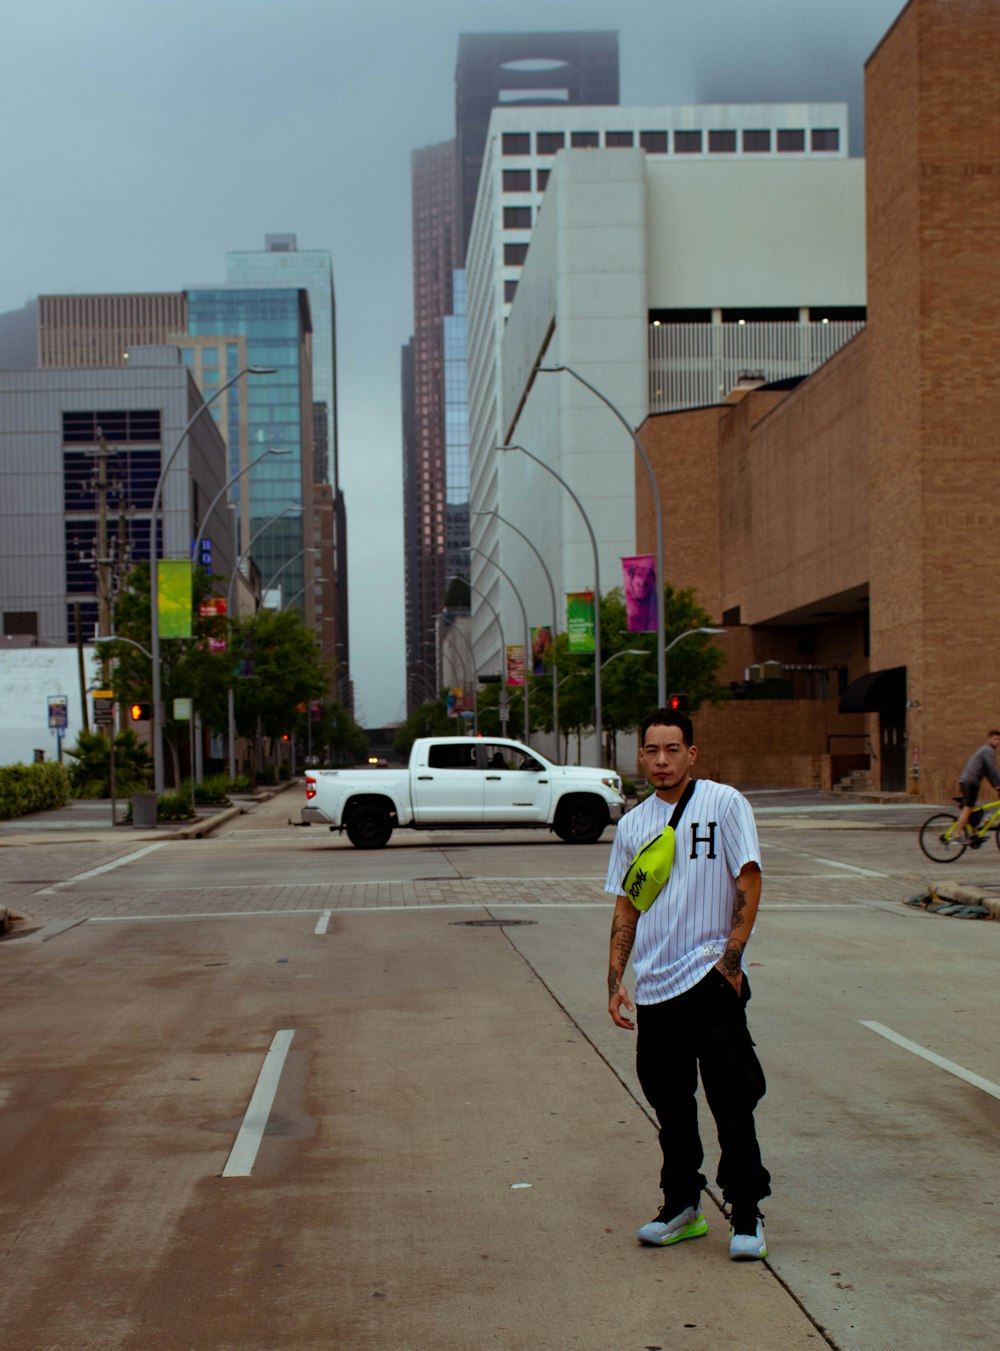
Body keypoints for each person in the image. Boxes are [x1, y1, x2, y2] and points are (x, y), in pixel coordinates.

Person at [605, 707, 770, 1261]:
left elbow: (748, 878)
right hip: (654, 988)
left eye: (671, 749)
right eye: (650, 750)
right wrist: (615, 979)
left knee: (731, 1101)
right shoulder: (631, 826)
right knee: (671, 1106)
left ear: (691, 753)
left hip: (709, 978)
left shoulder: (724, 804)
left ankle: (745, 1212)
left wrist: (731, 961)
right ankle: (682, 1207)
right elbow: (627, 906)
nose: (660, 760)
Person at [953, 730, 1000, 843]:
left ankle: (974, 836)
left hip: (970, 781)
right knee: (968, 808)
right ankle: (957, 835)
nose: (998, 742)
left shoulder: (987, 751)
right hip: (970, 782)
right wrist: (998, 785)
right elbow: (992, 770)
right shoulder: (987, 750)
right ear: (989, 739)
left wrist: (996, 785)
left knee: (973, 810)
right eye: (996, 739)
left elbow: (989, 773)